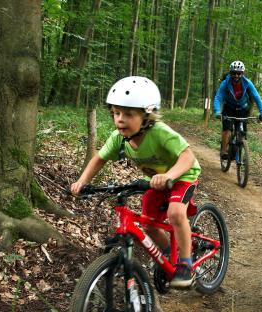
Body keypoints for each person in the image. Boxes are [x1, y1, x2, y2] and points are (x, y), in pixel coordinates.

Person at [71, 76, 201, 288]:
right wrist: (81, 182)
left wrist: (169, 176)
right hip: (156, 182)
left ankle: (186, 263)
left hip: (183, 176)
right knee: (148, 224)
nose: (120, 119)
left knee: (175, 213)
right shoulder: (118, 138)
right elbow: (99, 159)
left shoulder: (160, 133)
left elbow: (187, 156)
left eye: (128, 114)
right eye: (116, 113)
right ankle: (169, 253)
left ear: (147, 116)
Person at [213, 60, 262, 159]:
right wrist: (217, 111)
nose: (236, 75)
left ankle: (240, 150)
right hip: (229, 108)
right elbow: (218, 97)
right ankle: (224, 150)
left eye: (239, 73)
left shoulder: (247, 83)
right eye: (234, 73)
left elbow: (256, 97)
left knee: (242, 132)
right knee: (227, 128)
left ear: (242, 73)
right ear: (230, 73)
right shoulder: (225, 83)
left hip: (242, 108)